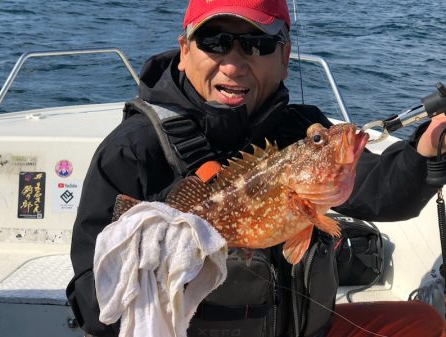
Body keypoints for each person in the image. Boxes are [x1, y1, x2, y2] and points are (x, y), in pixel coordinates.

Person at [66, 0, 446, 336]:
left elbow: (382, 193)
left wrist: (428, 150)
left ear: (284, 58)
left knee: (423, 324)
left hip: (300, 327)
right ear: (183, 51)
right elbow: (93, 305)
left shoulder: (300, 133)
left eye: (257, 44)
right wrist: (167, 235)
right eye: (214, 42)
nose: (233, 64)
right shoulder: (133, 149)